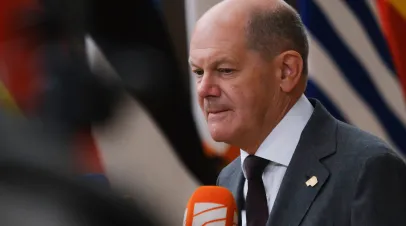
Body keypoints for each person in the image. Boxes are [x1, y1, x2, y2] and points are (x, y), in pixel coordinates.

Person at [188, 0, 406, 225]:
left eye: (225, 70)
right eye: (198, 72)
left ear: (286, 71)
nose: (204, 89)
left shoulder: (367, 169)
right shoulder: (227, 180)